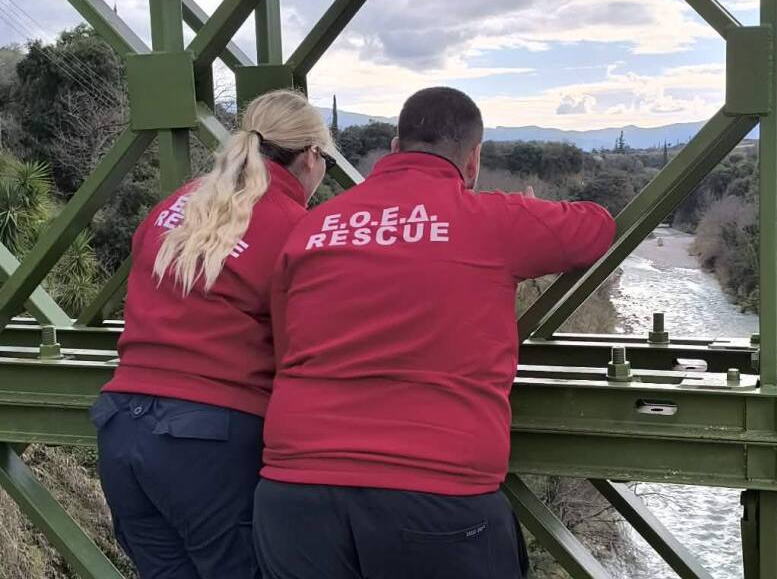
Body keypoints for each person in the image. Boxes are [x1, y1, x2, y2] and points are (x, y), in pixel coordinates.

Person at [252, 86, 616, 578]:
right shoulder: (492, 219)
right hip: (433, 491)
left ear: (394, 147)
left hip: (294, 491)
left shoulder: (313, 226)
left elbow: (284, 340)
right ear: (473, 159)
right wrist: (531, 210)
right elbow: (596, 226)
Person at [90, 89, 336, 579]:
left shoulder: (175, 206)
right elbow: (309, 346)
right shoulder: (295, 227)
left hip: (120, 425)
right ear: (311, 156)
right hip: (207, 439)